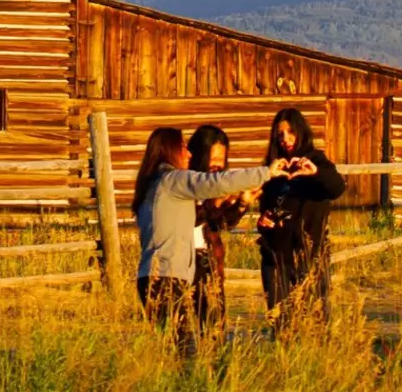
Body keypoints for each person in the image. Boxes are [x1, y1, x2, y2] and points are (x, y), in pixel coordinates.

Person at [132, 125, 310, 358]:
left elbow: (208, 219)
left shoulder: (150, 187)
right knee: (184, 354)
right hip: (168, 278)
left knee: (175, 352)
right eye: (183, 148)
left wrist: (238, 204)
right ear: (170, 150)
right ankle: (194, 391)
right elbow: (216, 184)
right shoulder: (174, 181)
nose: (188, 154)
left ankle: (183, 390)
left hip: (151, 278)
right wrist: (266, 172)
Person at [255, 106, 347, 326]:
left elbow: (337, 188)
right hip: (277, 261)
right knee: (283, 328)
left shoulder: (316, 162)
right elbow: (265, 210)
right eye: (280, 134)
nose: (285, 139)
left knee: (315, 325)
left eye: (290, 132)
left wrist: (314, 173)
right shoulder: (273, 170)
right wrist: (264, 222)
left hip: (310, 257)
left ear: (301, 132)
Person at [186, 124, 249, 343]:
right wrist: (216, 202)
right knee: (180, 323)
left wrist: (241, 205)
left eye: (222, 158)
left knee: (214, 322)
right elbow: (189, 218)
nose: (218, 164)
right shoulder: (183, 181)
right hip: (183, 259)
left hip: (209, 256)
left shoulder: (217, 184)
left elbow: (220, 224)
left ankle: (215, 365)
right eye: (213, 157)